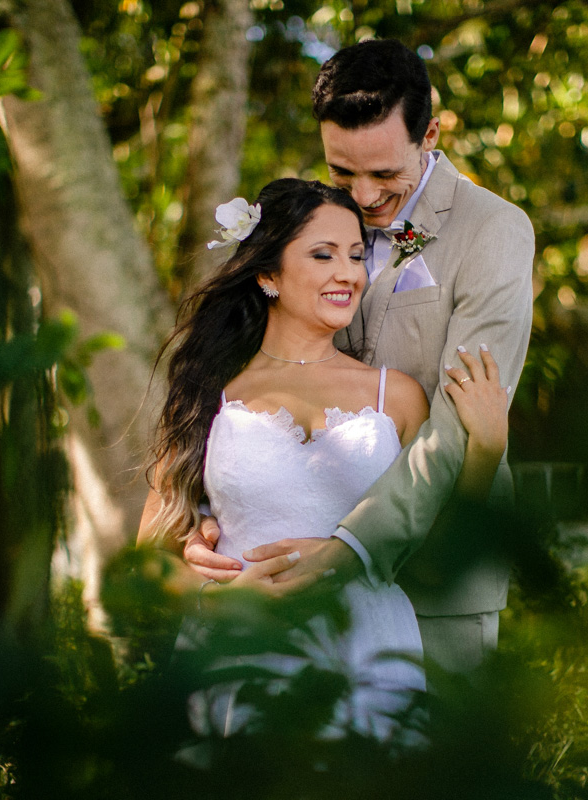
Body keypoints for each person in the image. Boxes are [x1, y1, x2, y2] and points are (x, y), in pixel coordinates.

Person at [184, 39, 535, 676]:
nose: (365, 196)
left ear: (429, 134)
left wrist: (349, 553)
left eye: (384, 176)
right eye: (344, 173)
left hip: (433, 579)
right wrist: (209, 518)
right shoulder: (316, 219)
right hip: (276, 580)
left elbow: (461, 422)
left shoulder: (494, 231)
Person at [138, 179, 510, 737]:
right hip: (240, 652)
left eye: (357, 255)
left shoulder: (398, 395)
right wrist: (214, 597)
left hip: (370, 653)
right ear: (267, 274)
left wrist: (487, 447)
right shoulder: (209, 392)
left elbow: (438, 558)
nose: (349, 272)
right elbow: (147, 558)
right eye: (323, 254)